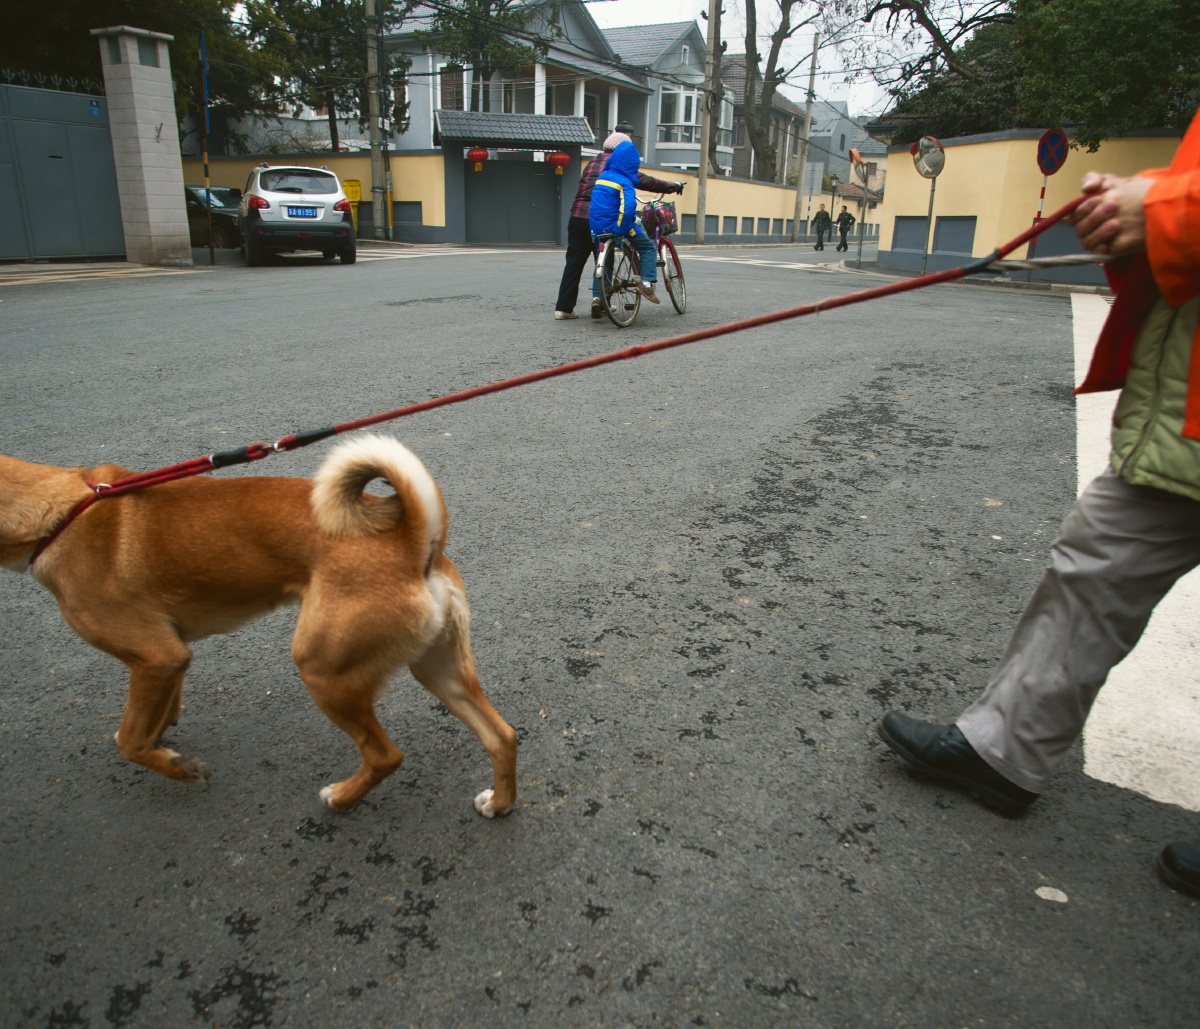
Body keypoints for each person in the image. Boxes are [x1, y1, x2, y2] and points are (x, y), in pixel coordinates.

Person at [876, 103, 1200, 898]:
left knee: (1099, 556)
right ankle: (1004, 751)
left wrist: (1156, 208)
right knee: (1096, 558)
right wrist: (1141, 200)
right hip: (1181, 401)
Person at [554, 132, 681, 320]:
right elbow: (644, 181)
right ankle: (600, 300)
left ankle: (563, 308)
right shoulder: (619, 165)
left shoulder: (591, 163)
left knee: (573, 264)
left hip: (577, 218)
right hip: (601, 219)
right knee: (606, 256)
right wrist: (672, 186)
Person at [587, 132, 666, 306]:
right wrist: (621, 229)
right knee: (647, 247)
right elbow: (628, 208)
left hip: (596, 227)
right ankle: (646, 284)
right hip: (615, 225)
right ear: (633, 164)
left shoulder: (602, 177)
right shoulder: (625, 182)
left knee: (603, 259)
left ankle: (598, 299)